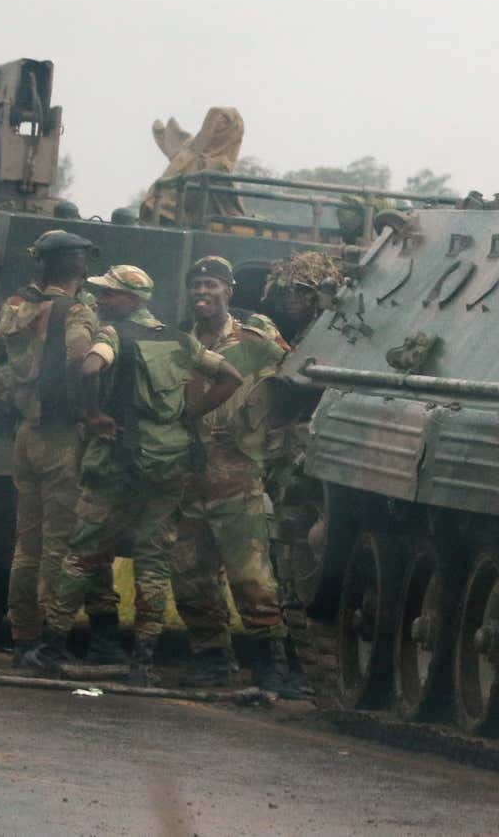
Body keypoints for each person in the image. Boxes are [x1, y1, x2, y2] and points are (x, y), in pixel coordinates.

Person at [25, 264, 242, 685]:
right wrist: (189, 414)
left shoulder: (113, 335)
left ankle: (50, 647)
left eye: (110, 295)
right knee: (154, 561)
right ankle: (142, 662)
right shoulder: (180, 339)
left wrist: (94, 414)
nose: (102, 302)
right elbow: (230, 376)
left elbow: (89, 368)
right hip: (169, 461)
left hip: (117, 462)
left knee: (82, 554)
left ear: (132, 300)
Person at [0, 230, 128, 667]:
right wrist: (93, 414)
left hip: (26, 434)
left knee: (27, 545)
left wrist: (15, 395)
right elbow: (81, 362)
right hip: (61, 437)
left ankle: (22, 636)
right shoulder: (75, 311)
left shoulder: (17, 308)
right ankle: (46, 642)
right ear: (79, 267)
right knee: (59, 543)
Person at [169, 256, 301, 697]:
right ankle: (212, 659)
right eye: (195, 284)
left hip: (238, 471)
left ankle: (271, 665)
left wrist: (259, 424)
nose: (201, 292)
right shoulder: (179, 342)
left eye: (210, 284)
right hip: (188, 472)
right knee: (189, 574)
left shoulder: (255, 340)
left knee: (251, 577)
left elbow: (296, 381)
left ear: (228, 291)